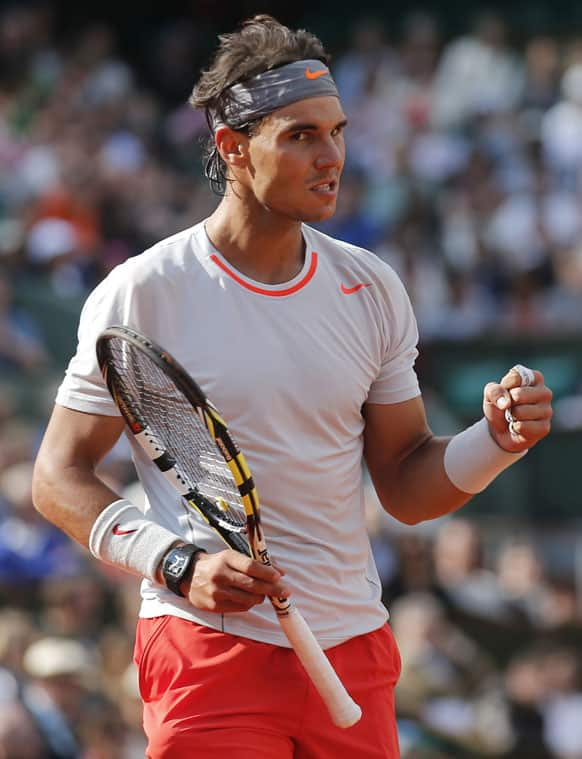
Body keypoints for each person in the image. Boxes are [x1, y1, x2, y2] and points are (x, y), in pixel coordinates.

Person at [31, 15, 553, 759]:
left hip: (352, 648)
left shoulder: (371, 286)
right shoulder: (143, 290)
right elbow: (56, 476)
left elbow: (406, 485)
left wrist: (496, 441)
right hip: (204, 649)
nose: (331, 155)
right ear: (233, 148)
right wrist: (174, 562)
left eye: (336, 131)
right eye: (301, 135)